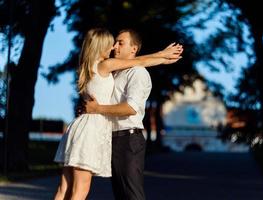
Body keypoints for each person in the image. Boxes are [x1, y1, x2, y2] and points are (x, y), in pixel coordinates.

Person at [53, 28, 183, 200]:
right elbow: (141, 60)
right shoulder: (107, 67)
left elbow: (131, 103)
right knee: (80, 190)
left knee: (66, 188)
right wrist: (162, 56)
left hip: (102, 132)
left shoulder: (99, 67)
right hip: (94, 130)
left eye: (119, 43)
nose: (114, 47)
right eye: (112, 43)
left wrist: (162, 58)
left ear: (133, 48)